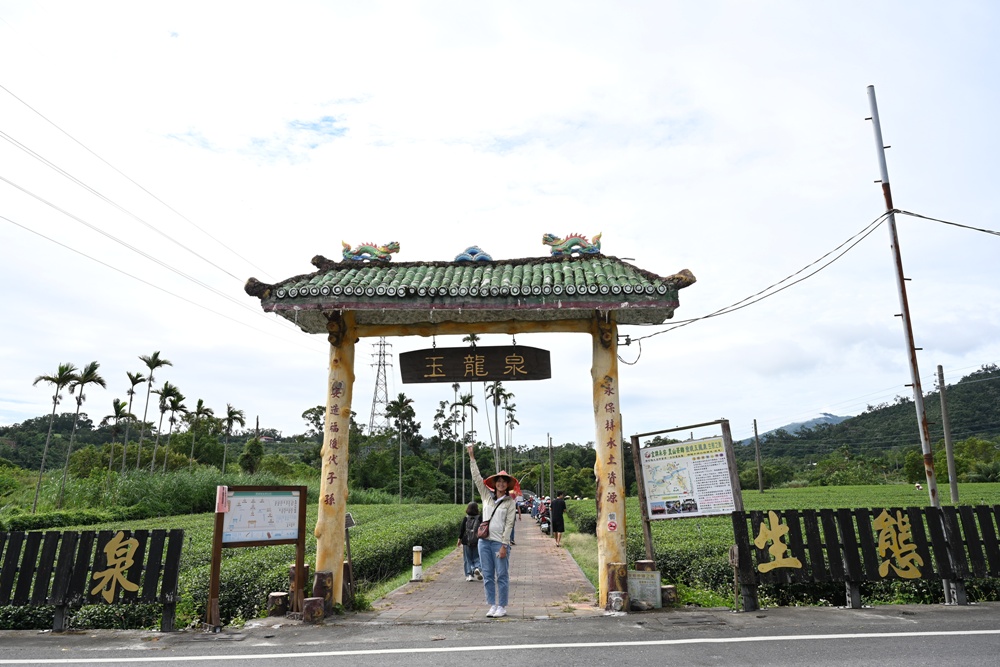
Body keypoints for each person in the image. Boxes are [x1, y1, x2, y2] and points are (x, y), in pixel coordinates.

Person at [467, 444, 518, 618]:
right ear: (495, 483)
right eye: (499, 481)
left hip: (499, 544)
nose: (501, 483)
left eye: (504, 481)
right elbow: (477, 478)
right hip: (484, 542)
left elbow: (509, 525)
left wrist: (504, 545)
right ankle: (492, 605)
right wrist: (472, 457)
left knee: (502, 575)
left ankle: (502, 606)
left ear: (507, 485)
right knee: (488, 575)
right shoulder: (486, 497)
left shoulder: (510, 503)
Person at [457, 501, 484, 582]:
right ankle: (477, 568)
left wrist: (459, 539)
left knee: (467, 558)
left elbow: (462, 530)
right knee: (477, 557)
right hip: (477, 540)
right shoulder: (480, 518)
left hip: (467, 541)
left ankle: (469, 575)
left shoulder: (466, 518)